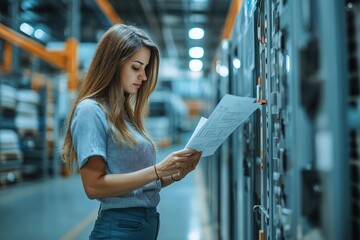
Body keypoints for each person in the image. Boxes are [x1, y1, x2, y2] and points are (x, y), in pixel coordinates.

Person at [61, 23, 202, 240]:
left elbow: (138, 187)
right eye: (136, 67)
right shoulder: (91, 111)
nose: (143, 76)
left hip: (144, 225)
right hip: (119, 229)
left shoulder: (125, 116)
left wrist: (174, 174)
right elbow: (93, 186)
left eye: (145, 68)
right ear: (112, 64)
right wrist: (157, 170)